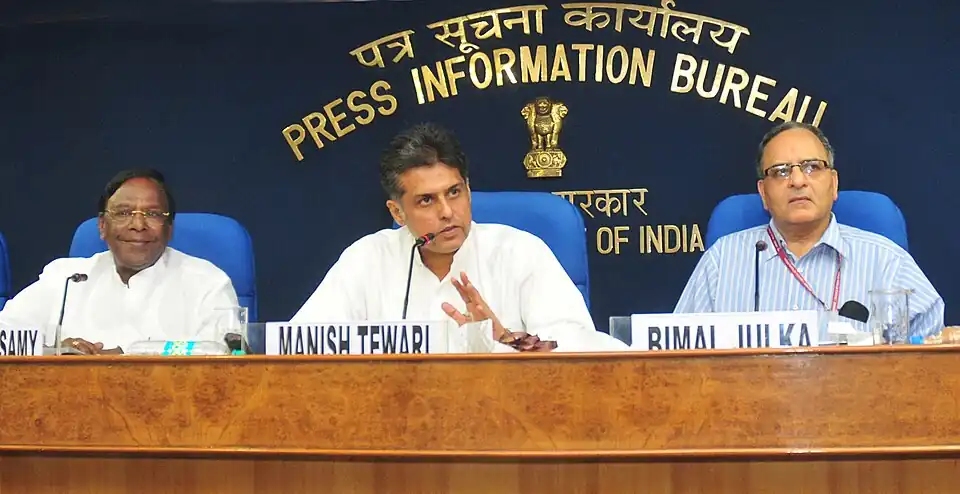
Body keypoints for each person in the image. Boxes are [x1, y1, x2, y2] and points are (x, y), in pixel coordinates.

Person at [292, 123, 625, 352]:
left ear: (467, 189)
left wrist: (505, 338)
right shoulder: (366, 260)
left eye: (454, 193)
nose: (447, 211)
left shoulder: (521, 252)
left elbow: (580, 346)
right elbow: (303, 345)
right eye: (426, 200)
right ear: (397, 213)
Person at [674, 121, 944, 338]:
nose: (798, 180)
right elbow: (677, 358)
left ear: (834, 184)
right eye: (780, 171)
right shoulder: (722, 262)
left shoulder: (887, 262)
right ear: (763, 194)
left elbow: (934, 362)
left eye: (812, 167)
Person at [0, 169, 240, 354]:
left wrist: (126, 358)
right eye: (124, 213)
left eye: (153, 214)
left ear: (169, 229)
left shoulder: (207, 282)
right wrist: (54, 352)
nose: (137, 225)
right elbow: (5, 334)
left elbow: (226, 353)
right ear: (102, 226)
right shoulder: (65, 278)